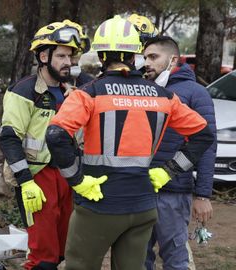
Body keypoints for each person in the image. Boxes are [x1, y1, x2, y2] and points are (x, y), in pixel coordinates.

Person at [44, 15, 215, 270]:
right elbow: (204, 135)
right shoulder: (164, 95)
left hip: (99, 205)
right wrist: (168, 172)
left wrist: (77, 180)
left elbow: (56, 135)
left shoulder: (89, 93)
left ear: (101, 56)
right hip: (143, 205)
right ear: (136, 54)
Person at [0, 20, 90, 270]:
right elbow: (9, 137)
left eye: (70, 56)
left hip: (69, 175)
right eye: (60, 55)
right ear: (43, 55)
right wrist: (25, 180)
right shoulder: (25, 91)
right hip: (37, 178)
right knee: (43, 257)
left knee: (65, 251)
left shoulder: (76, 90)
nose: (67, 62)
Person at [143, 36, 217, 270]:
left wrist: (203, 195)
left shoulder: (196, 93)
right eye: (145, 57)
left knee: (175, 258)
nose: (147, 62)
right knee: (136, 258)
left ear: (173, 59)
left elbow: (207, 146)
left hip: (174, 193)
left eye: (154, 57)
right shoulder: (143, 90)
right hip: (139, 190)